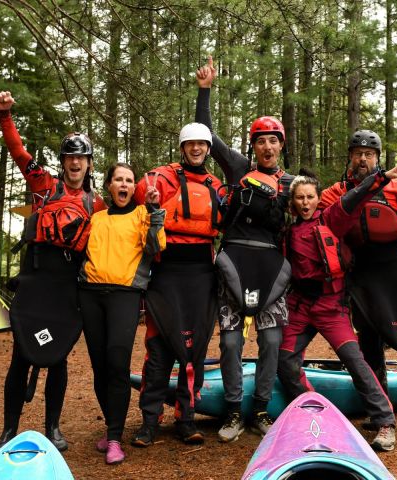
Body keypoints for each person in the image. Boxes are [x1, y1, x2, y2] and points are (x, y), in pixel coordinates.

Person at [0, 91, 105, 454]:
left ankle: (52, 427)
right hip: (36, 277)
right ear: (63, 161)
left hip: (67, 284)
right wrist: (5, 114)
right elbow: (19, 154)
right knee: (22, 353)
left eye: (81, 158)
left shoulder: (96, 204)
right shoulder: (44, 186)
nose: (75, 163)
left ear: (89, 164)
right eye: (70, 157)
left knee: (57, 355)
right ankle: (8, 429)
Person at [277, 159, 397, 452]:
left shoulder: (331, 219)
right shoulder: (287, 231)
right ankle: (313, 409)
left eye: (310, 196)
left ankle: (384, 421)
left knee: (354, 360)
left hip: (330, 305)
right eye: (299, 198)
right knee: (285, 361)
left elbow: (354, 196)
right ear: (292, 203)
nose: (305, 202)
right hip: (299, 306)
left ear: (317, 198)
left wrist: (381, 177)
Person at [195, 57, 294, 442]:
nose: (267, 146)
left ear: (280, 146)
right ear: (253, 145)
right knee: (231, 341)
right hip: (234, 262)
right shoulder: (238, 168)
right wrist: (205, 90)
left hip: (271, 268)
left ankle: (262, 410)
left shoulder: (289, 183)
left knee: (271, 341)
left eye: (273, 140)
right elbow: (206, 132)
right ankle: (234, 410)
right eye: (261, 140)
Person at [319, 130, 397, 431]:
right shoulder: (335, 191)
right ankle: (378, 408)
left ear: (377, 157)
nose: (362, 158)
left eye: (369, 154)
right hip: (363, 273)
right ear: (349, 156)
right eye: (357, 153)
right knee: (369, 341)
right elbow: (322, 218)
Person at [130, 122, 223, 448]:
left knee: (193, 351)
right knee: (158, 350)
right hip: (166, 273)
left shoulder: (215, 185)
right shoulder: (159, 178)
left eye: (202, 144)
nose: (196, 149)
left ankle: (185, 419)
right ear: (182, 148)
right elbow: (134, 205)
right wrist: (152, 203)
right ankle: (149, 421)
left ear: (208, 149)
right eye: (190, 144)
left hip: (201, 276)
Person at [79, 162, 166, 465]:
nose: (124, 184)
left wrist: (155, 211)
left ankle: (115, 437)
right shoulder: (97, 217)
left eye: (129, 180)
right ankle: (110, 426)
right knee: (100, 367)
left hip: (125, 296)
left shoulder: (143, 214)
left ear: (134, 188)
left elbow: (156, 248)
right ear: (110, 186)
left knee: (117, 363)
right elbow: (80, 251)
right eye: (118, 179)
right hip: (90, 295)